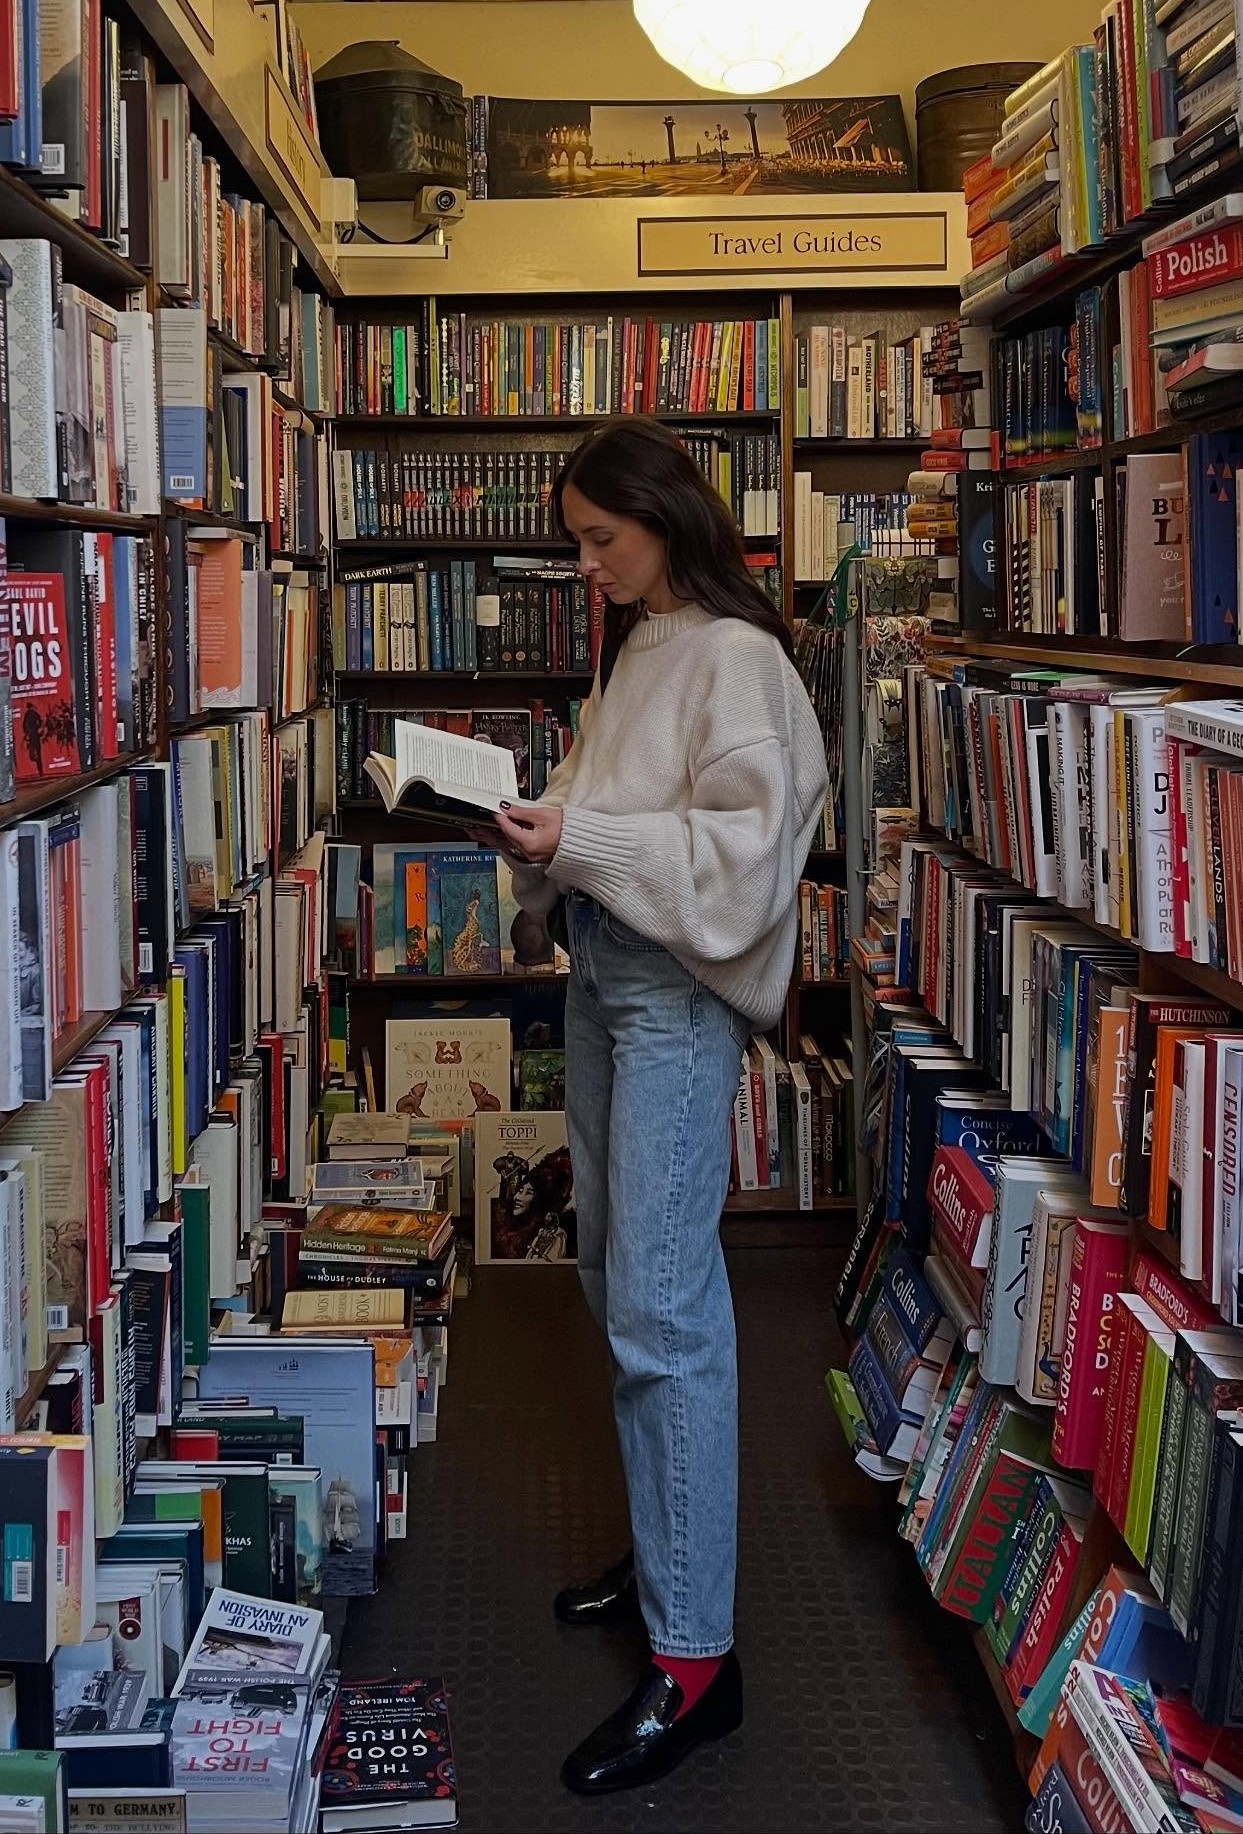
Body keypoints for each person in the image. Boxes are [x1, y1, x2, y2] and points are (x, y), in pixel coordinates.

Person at [491, 415, 828, 1794]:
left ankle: (699, 1665)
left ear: (665, 521)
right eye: (576, 542)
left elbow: (749, 860)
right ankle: (669, 1535)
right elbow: (603, 799)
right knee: (608, 1268)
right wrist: (538, 828)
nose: (584, 566)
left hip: (677, 992)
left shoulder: (741, 662)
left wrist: (585, 839)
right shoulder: (642, 645)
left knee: (667, 1311)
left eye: (599, 540)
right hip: (608, 968)